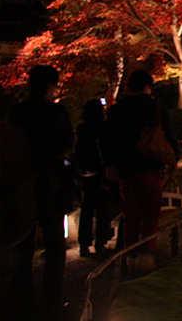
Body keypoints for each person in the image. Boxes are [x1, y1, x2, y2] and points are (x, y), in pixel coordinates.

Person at [7, 65, 74, 318]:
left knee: (22, 240)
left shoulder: (17, 112)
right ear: (51, 85)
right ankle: (52, 296)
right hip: (50, 180)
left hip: (21, 180)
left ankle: (22, 296)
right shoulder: (56, 111)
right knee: (55, 242)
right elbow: (67, 143)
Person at [102, 70, 178, 269]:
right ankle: (146, 255)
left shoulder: (117, 109)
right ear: (147, 86)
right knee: (151, 212)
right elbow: (169, 133)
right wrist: (174, 157)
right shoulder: (155, 106)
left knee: (131, 214)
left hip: (125, 167)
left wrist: (109, 163)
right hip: (150, 165)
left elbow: (106, 137)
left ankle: (131, 254)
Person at [75, 98, 113, 257]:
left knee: (87, 207)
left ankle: (84, 243)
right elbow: (105, 149)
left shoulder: (81, 129)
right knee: (103, 207)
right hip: (100, 171)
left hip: (85, 172)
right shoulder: (103, 129)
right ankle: (101, 242)